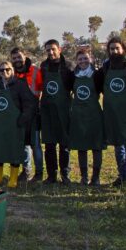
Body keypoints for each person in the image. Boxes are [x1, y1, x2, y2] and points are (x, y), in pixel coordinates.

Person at [0, 61, 35, 188]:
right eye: (1, 70)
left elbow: (29, 104)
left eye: (7, 69)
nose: (4, 72)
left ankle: (13, 179)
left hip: (15, 125)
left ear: (12, 70)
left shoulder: (20, 84)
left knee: (14, 150)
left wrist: (22, 119)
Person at [99, 37, 126, 186]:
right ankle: (121, 175)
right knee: (118, 144)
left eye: (117, 48)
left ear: (123, 49)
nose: (115, 51)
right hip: (112, 111)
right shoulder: (106, 65)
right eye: (112, 49)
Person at [68, 49, 105, 186]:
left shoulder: (97, 75)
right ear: (76, 61)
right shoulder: (73, 76)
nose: (83, 61)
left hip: (94, 115)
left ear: (91, 59)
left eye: (85, 58)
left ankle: (95, 178)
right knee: (81, 147)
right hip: (78, 115)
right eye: (80, 59)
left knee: (96, 147)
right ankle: (84, 177)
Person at [39, 39, 73, 184]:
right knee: (49, 144)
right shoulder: (44, 66)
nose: (51, 52)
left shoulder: (68, 66)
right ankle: (51, 175)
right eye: (48, 50)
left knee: (64, 144)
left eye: (53, 49)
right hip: (47, 109)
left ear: (60, 49)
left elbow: (74, 85)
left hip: (63, 108)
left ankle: (65, 175)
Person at [12, 47, 43, 181]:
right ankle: (26, 171)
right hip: (18, 114)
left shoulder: (35, 71)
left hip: (34, 113)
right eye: (14, 58)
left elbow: (42, 89)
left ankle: (39, 173)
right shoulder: (11, 72)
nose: (17, 60)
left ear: (25, 56)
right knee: (23, 144)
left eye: (19, 57)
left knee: (35, 145)